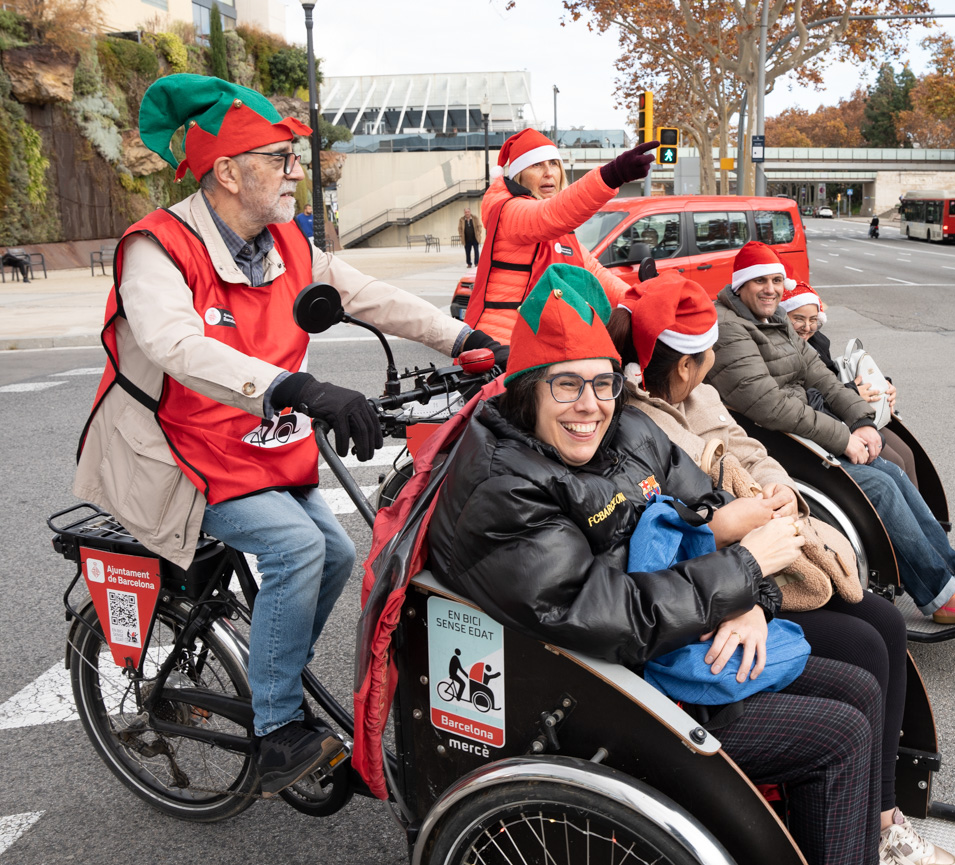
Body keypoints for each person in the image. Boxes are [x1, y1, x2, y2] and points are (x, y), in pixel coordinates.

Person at [72, 75, 508, 797]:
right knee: (300, 545)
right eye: (281, 157)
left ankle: (269, 682)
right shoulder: (157, 247)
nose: (296, 171)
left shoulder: (282, 244)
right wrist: (294, 386)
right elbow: (177, 344)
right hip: (173, 453)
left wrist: (466, 337)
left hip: (253, 444)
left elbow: (368, 294)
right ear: (229, 171)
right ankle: (275, 730)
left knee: (337, 549)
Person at [429, 264, 888, 865]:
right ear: (528, 390)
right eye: (565, 386)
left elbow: (707, 505)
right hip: (601, 688)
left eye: (602, 384)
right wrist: (744, 572)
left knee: (861, 684)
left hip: (670, 637)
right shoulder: (507, 487)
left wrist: (751, 600)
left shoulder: (628, 430)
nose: (588, 407)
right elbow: (593, 609)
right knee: (840, 734)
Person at [608, 273, 955, 865]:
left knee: (888, 627)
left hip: (762, 545)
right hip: (732, 569)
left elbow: (747, 447)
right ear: (690, 363)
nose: (774, 291)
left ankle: (880, 817)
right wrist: (749, 543)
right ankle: (866, 820)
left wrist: (776, 493)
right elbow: (685, 522)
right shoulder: (643, 425)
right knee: (866, 650)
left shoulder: (701, 394)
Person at [704, 242, 955, 625]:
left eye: (775, 280)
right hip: (773, 442)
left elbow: (820, 374)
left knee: (893, 472)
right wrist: (843, 437)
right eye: (760, 281)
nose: (770, 289)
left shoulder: (773, 319)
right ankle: (940, 596)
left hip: (801, 432)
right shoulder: (731, 328)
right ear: (739, 286)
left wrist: (862, 420)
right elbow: (769, 405)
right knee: (878, 488)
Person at [465, 128, 658, 343]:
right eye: (537, 164)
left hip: (541, 343)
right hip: (501, 346)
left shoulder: (561, 229)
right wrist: (613, 174)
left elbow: (596, 275)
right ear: (518, 175)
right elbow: (549, 215)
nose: (548, 172)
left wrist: (642, 299)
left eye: (554, 164)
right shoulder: (508, 210)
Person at [780, 281, 916, 487]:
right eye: (798, 319)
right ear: (783, 318)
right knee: (895, 464)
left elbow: (835, 378)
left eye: (813, 320)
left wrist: (881, 387)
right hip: (831, 422)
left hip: (848, 412)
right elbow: (808, 397)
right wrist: (853, 393)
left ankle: (926, 518)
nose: (807, 327)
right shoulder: (785, 352)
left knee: (907, 454)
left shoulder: (817, 342)